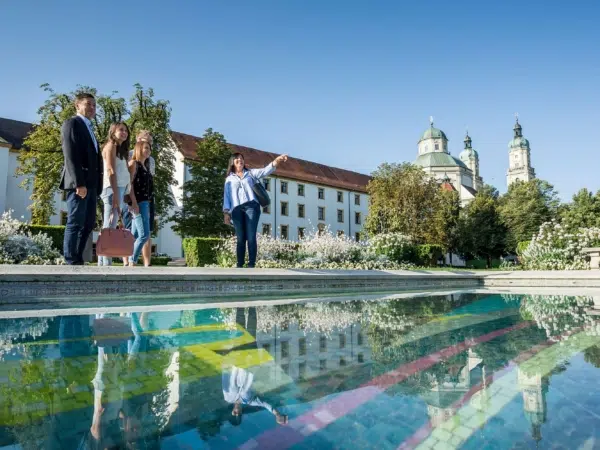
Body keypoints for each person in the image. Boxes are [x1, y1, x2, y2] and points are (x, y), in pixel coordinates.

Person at [223, 153, 288, 268]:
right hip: (236, 209)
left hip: (251, 207)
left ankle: (251, 264)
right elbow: (227, 197)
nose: (240, 160)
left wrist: (277, 160)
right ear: (232, 162)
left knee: (251, 236)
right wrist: (226, 213)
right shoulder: (229, 179)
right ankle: (239, 265)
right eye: (237, 159)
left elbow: (265, 171)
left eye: (242, 158)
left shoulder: (251, 174)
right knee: (240, 238)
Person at [60, 93, 102, 265]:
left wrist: (96, 185)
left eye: (94, 105)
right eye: (88, 104)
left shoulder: (90, 128)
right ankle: (70, 259)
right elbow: (70, 155)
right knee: (76, 221)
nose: (92, 107)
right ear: (77, 106)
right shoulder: (72, 124)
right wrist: (79, 183)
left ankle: (77, 258)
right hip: (80, 183)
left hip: (92, 185)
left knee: (88, 223)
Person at [98, 123, 131, 266]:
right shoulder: (111, 145)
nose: (124, 132)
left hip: (119, 189)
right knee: (110, 225)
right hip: (112, 189)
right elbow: (111, 171)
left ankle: (102, 261)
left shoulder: (121, 149)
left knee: (109, 224)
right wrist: (117, 196)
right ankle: (106, 261)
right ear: (113, 132)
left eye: (126, 130)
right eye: (121, 130)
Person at [122, 130, 155, 267]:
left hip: (145, 202)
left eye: (150, 146)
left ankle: (133, 262)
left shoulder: (146, 165)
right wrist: (133, 203)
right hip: (137, 203)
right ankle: (132, 261)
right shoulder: (133, 163)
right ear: (138, 146)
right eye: (146, 146)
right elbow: (129, 186)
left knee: (135, 235)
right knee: (143, 235)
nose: (149, 149)